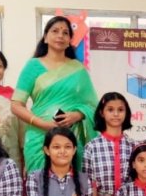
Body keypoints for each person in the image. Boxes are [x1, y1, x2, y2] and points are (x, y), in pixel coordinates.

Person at [11, 16, 98, 173]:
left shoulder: (78, 69)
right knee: (39, 182)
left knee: (72, 184)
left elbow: (93, 106)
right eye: (55, 31)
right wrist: (42, 124)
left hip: (70, 137)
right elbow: (16, 105)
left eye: (65, 33)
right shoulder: (33, 66)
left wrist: (77, 115)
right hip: (39, 137)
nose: (60, 36)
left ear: (69, 40)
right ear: (45, 37)